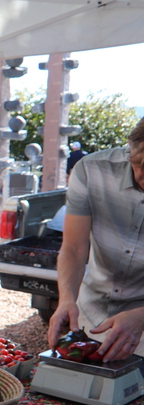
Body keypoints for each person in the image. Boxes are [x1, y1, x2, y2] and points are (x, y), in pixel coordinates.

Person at [47, 117, 144, 364]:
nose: (142, 175)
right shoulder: (91, 170)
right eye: (137, 163)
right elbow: (74, 248)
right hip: (92, 316)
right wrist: (67, 299)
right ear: (130, 146)